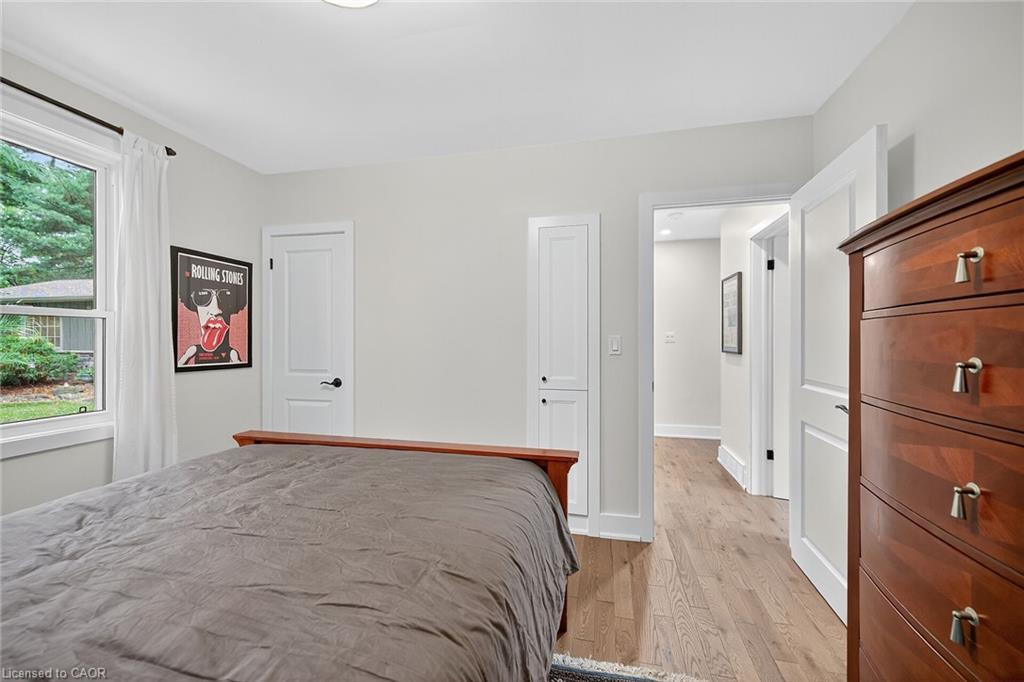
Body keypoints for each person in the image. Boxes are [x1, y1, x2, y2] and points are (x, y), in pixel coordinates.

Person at [177, 259, 247, 366]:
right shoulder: (194, 349)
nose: (216, 310)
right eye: (203, 295)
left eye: (225, 296)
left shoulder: (232, 353)